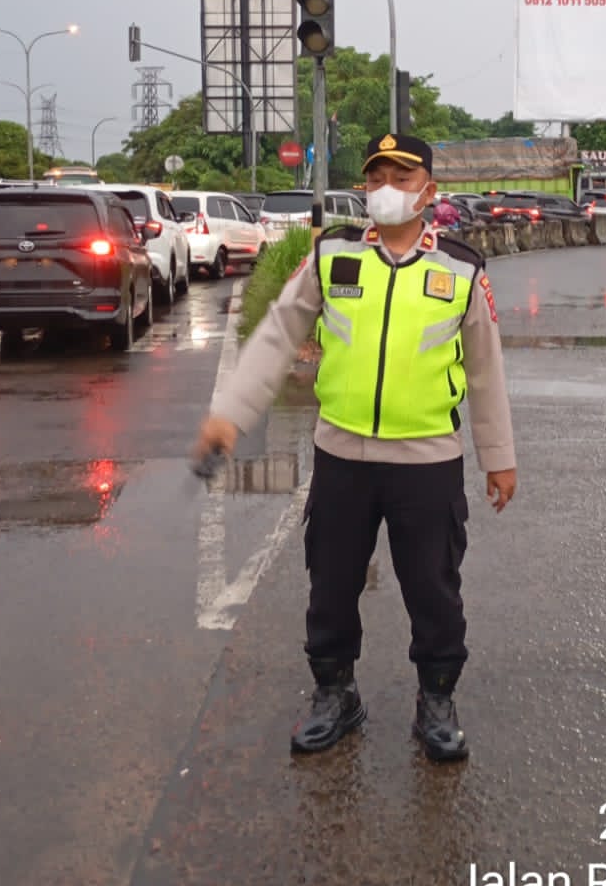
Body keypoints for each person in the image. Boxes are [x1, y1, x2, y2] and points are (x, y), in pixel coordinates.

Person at [192, 133, 517, 764]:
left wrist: (497, 455)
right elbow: (278, 333)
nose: (387, 188)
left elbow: (485, 370)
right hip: (342, 458)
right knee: (331, 583)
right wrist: (228, 416)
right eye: (376, 177)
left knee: (434, 588)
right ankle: (335, 693)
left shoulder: (460, 268)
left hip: (427, 461)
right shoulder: (334, 256)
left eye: (402, 175)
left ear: (429, 190)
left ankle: (437, 698)